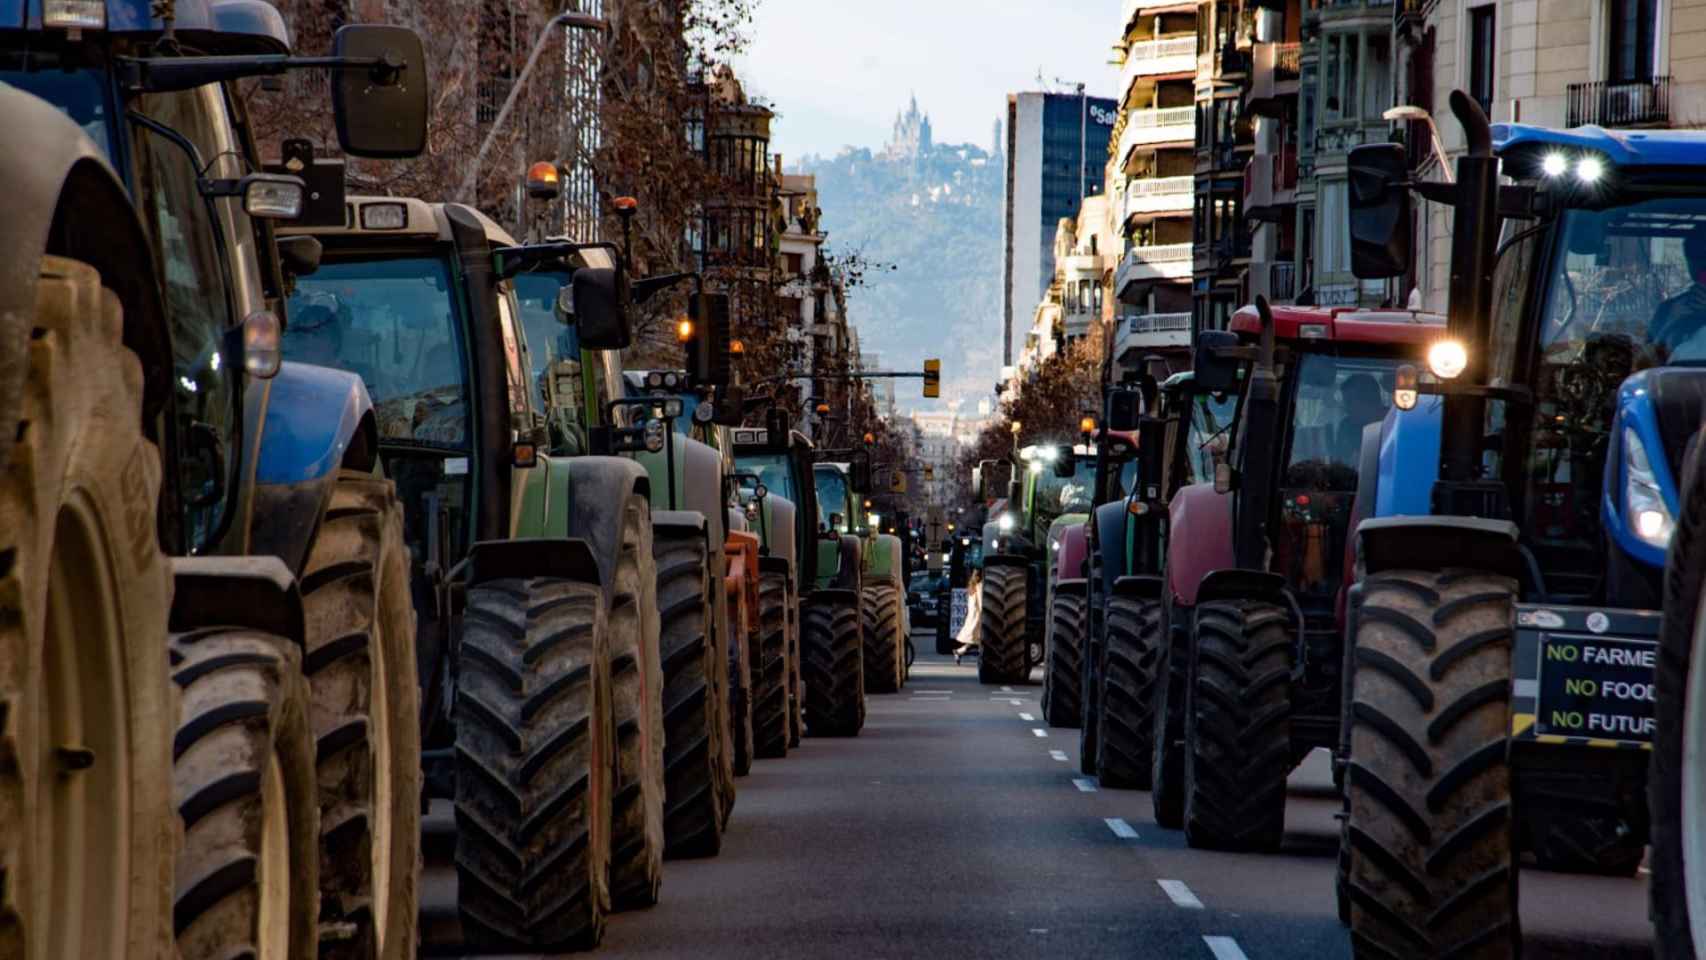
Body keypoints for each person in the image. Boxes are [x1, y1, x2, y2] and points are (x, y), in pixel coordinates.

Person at [1650, 228, 1706, 361]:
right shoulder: (1668, 310)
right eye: (1696, 258)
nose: (1702, 266)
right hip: (1672, 380)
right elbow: (1648, 360)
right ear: (1690, 263)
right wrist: (1672, 321)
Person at [953, 568, 984, 665]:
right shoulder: (980, 586)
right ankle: (960, 652)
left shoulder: (971, 586)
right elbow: (981, 602)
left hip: (972, 615)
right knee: (978, 638)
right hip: (978, 616)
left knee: (975, 638)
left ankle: (959, 651)